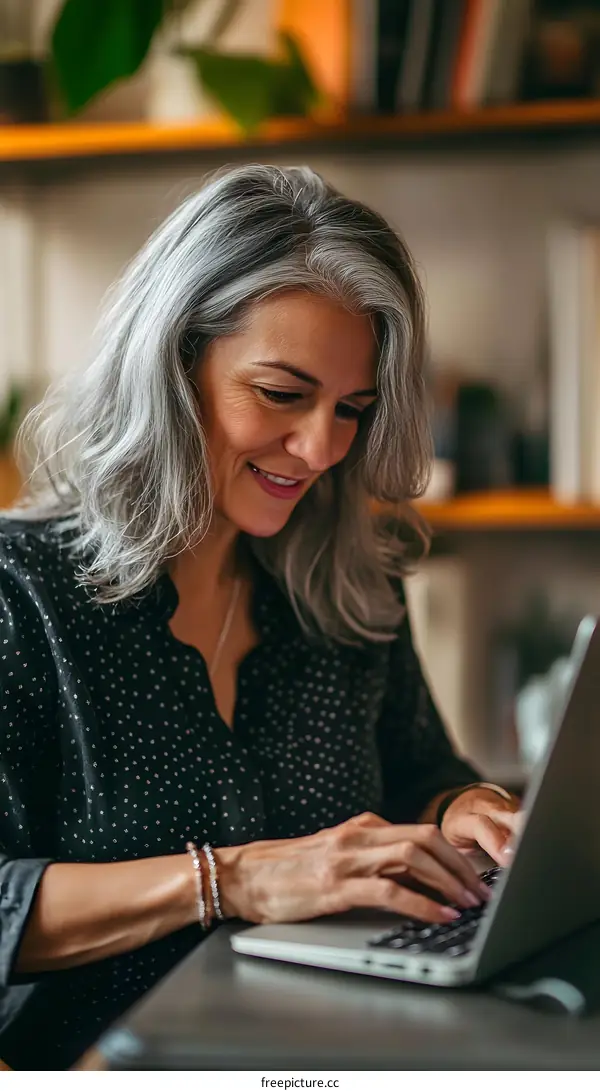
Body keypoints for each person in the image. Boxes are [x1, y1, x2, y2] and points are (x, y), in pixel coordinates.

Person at [0, 164, 519, 1070]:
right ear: (172, 364)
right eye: (282, 394)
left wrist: (468, 807)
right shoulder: (23, 596)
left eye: (351, 409)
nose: (321, 448)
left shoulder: (353, 580)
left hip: (340, 1051)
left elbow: (421, 771)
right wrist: (233, 878)